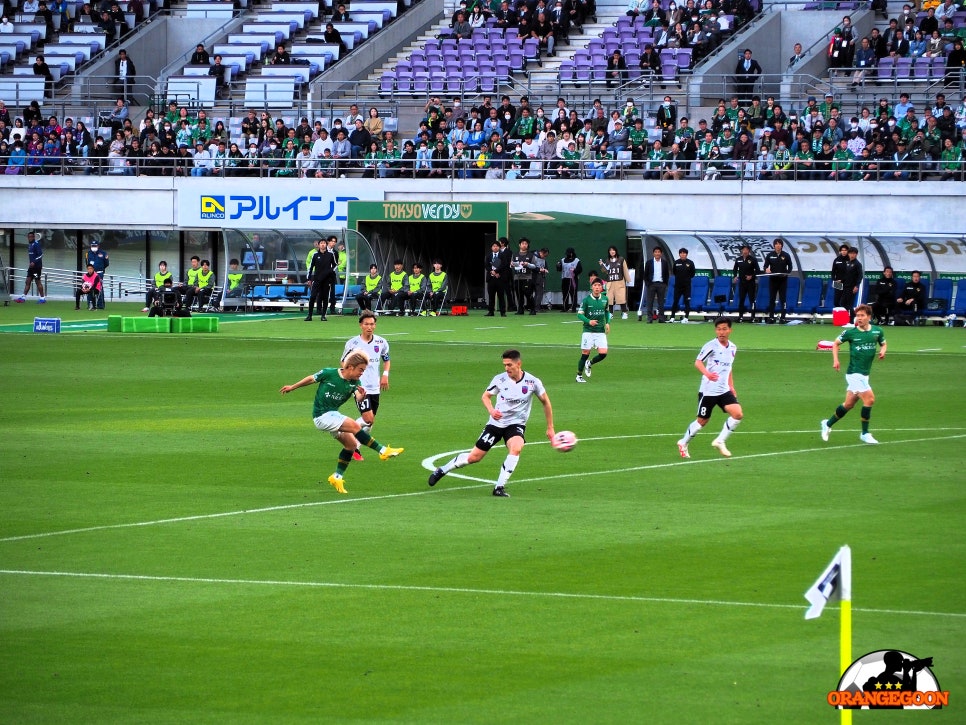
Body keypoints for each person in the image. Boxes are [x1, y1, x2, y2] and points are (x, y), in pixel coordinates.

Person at [427, 349, 555, 498]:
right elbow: (485, 396)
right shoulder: (500, 379)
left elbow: (546, 402)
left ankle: (499, 487)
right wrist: (492, 411)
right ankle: (442, 470)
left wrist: (550, 427)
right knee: (474, 457)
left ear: (518, 364)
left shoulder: (533, 382)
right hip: (496, 424)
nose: (506, 368)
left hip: (516, 424)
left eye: (509, 365)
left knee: (516, 447)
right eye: (504, 365)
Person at [279, 350, 403, 494]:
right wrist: (292, 387)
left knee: (350, 446)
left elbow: (357, 396)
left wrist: (362, 397)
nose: (362, 373)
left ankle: (337, 477)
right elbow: (311, 379)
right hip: (322, 416)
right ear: (350, 367)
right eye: (360, 369)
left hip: (333, 415)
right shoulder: (329, 373)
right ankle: (382, 451)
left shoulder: (356, 382)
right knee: (355, 426)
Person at [676, 317, 743, 459]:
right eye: (719, 329)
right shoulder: (711, 346)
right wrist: (707, 373)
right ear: (715, 330)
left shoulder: (732, 347)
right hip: (708, 391)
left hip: (724, 390)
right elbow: (698, 362)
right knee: (702, 421)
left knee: (737, 414)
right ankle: (683, 442)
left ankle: (720, 440)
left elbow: (728, 368)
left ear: (730, 330)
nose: (721, 332)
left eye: (724, 329)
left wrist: (731, 386)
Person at [820, 304, 887, 445]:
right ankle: (865, 433)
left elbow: (883, 343)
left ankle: (827, 424)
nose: (859, 318)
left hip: (865, 374)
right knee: (870, 399)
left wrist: (883, 351)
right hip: (854, 374)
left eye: (862, 315)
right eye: (858, 315)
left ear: (869, 317)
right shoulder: (850, 333)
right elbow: (835, 344)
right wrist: (836, 360)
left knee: (849, 404)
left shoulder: (877, 331)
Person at [342, 311, 391, 461]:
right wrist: (352, 379)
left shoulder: (381, 342)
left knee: (370, 421)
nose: (369, 327)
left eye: (372, 324)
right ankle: (346, 429)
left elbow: (386, 359)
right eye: (366, 324)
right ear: (360, 325)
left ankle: (355, 447)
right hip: (360, 387)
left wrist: (385, 375)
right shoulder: (353, 343)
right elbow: (343, 362)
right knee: (368, 418)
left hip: (375, 386)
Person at [575, 277, 610, 383]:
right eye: (595, 285)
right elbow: (579, 315)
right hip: (588, 331)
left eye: (599, 285)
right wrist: (589, 321)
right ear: (592, 287)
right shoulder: (586, 300)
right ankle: (579, 376)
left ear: (601, 288)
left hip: (600, 331)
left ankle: (589, 364)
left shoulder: (605, 299)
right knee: (585, 353)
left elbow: (607, 312)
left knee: (603, 353)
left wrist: (607, 322)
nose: (597, 287)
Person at [305, 237, 337, 321]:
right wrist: (309, 278)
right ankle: (309, 315)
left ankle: (323, 316)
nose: (323, 245)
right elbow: (311, 267)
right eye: (321, 243)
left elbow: (335, 265)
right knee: (312, 297)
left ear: (326, 245)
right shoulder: (315, 255)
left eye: (324, 243)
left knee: (325, 297)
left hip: (326, 280)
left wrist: (330, 271)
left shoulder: (330, 255)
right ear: (318, 245)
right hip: (317, 279)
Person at [763, 237, 793, 323]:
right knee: (772, 298)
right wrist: (766, 269)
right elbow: (765, 266)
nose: (778, 245)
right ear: (774, 246)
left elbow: (790, 267)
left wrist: (786, 273)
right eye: (776, 244)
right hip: (773, 280)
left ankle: (783, 317)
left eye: (779, 244)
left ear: (782, 246)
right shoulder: (770, 255)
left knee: (783, 298)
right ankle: (771, 317)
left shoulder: (786, 255)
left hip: (783, 280)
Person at [639, 246, 670, 323]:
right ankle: (650, 318)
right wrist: (648, 284)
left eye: (659, 252)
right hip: (651, 284)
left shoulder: (664, 263)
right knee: (650, 302)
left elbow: (666, 274)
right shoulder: (649, 262)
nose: (657, 253)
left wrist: (665, 284)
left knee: (661, 302)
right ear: (653, 253)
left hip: (661, 284)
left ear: (661, 253)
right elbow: (645, 274)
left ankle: (661, 318)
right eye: (655, 252)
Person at [731, 243, 760, 322]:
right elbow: (735, 269)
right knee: (741, 299)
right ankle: (740, 317)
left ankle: (753, 317)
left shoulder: (753, 259)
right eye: (743, 250)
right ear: (741, 251)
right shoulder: (738, 259)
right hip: (742, 283)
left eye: (746, 250)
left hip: (751, 283)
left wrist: (751, 276)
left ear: (749, 251)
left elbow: (758, 270)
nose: (745, 251)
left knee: (751, 299)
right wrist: (735, 276)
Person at [599, 245, 629, 318]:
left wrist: (628, 280)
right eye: (610, 250)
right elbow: (606, 271)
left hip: (619, 281)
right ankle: (610, 313)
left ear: (616, 251)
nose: (612, 252)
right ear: (609, 252)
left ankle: (624, 312)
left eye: (613, 250)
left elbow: (625, 270)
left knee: (621, 297)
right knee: (610, 298)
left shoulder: (621, 259)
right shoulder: (607, 261)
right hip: (610, 282)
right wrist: (602, 265)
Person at [16, 231, 46, 304]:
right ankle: (23, 297)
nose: (30, 238)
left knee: (37, 281)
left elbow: (41, 255)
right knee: (27, 281)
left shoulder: (36, 244)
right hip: (31, 268)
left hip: (36, 268)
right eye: (28, 237)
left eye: (31, 237)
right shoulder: (30, 245)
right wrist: (31, 263)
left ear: (34, 237)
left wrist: (34, 262)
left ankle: (42, 298)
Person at [511, 237, 537, 315]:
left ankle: (532, 309)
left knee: (528, 294)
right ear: (519, 245)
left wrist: (527, 264)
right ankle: (520, 309)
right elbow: (511, 264)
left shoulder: (531, 255)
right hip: (517, 277)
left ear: (528, 245)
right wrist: (512, 264)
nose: (524, 245)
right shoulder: (515, 254)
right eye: (523, 244)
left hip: (527, 277)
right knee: (519, 294)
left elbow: (534, 266)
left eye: (526, 244)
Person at [485, 240, 510, 317]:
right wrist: (492, 272)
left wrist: (496, 271)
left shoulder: (502, 255)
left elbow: (504, 265)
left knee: (501, 296)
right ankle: (491, 311)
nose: (495, 247)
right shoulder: (489, 256)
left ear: (499, 247)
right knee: (491, 296)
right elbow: (486, 266)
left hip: (500, 278)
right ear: (491, 248)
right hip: (491, 278)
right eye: (494, 246)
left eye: (496, 246)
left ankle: (503, 312)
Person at [670, 247, 695, 322]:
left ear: (686, 254)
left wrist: (686, 280)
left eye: (684, 253)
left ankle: (686, 317)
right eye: (681, 253)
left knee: (687, 301)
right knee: (675, 301)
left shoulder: (690, 263)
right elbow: (674, 272)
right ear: (679, 254)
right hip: (678, 286)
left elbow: (692, 274)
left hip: (687, 286)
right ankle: (672, 317)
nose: (682, 254)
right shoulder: (676, 262)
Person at [85, 238, 109, 308]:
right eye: (92, 246)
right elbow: (87, 263)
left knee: (99, 288)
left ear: (98, 246)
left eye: (95, 246)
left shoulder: (103, 253)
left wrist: (101, 269)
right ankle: (90, 304)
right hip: (90, 274)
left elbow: (106, 263)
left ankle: (100, 305)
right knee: (89, 287)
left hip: (99, 273)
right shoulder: (88, 253)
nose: (93, 247)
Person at [557, 247, 582, 313]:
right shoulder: (562, 260)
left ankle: (573, 308)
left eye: (569, 253)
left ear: (572, 253)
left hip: (573, 279)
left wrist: (575, 271)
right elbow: (559, 269)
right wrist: (558, 266)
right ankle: (565, 307)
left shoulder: (576, 260)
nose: (568, 255)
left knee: (573, 293)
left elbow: (580, 270)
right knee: (565, 293)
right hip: (565, 278)